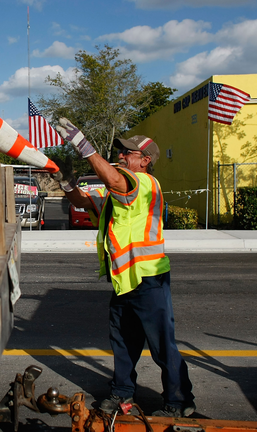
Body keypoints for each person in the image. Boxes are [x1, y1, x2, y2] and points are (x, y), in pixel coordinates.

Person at [52, 118, 195, 417]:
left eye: (127, 153)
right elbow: (84, 203)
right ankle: (122, 393)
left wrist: (84, 147)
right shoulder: (121, 193)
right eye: (120, 152)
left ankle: (180, 402)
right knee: (123, 342)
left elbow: (114, 181)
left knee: (162, 345)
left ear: (144, 161)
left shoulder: (144, 183)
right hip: (126, 280)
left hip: (149, 277)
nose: (120, 155)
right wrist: (65, 181)